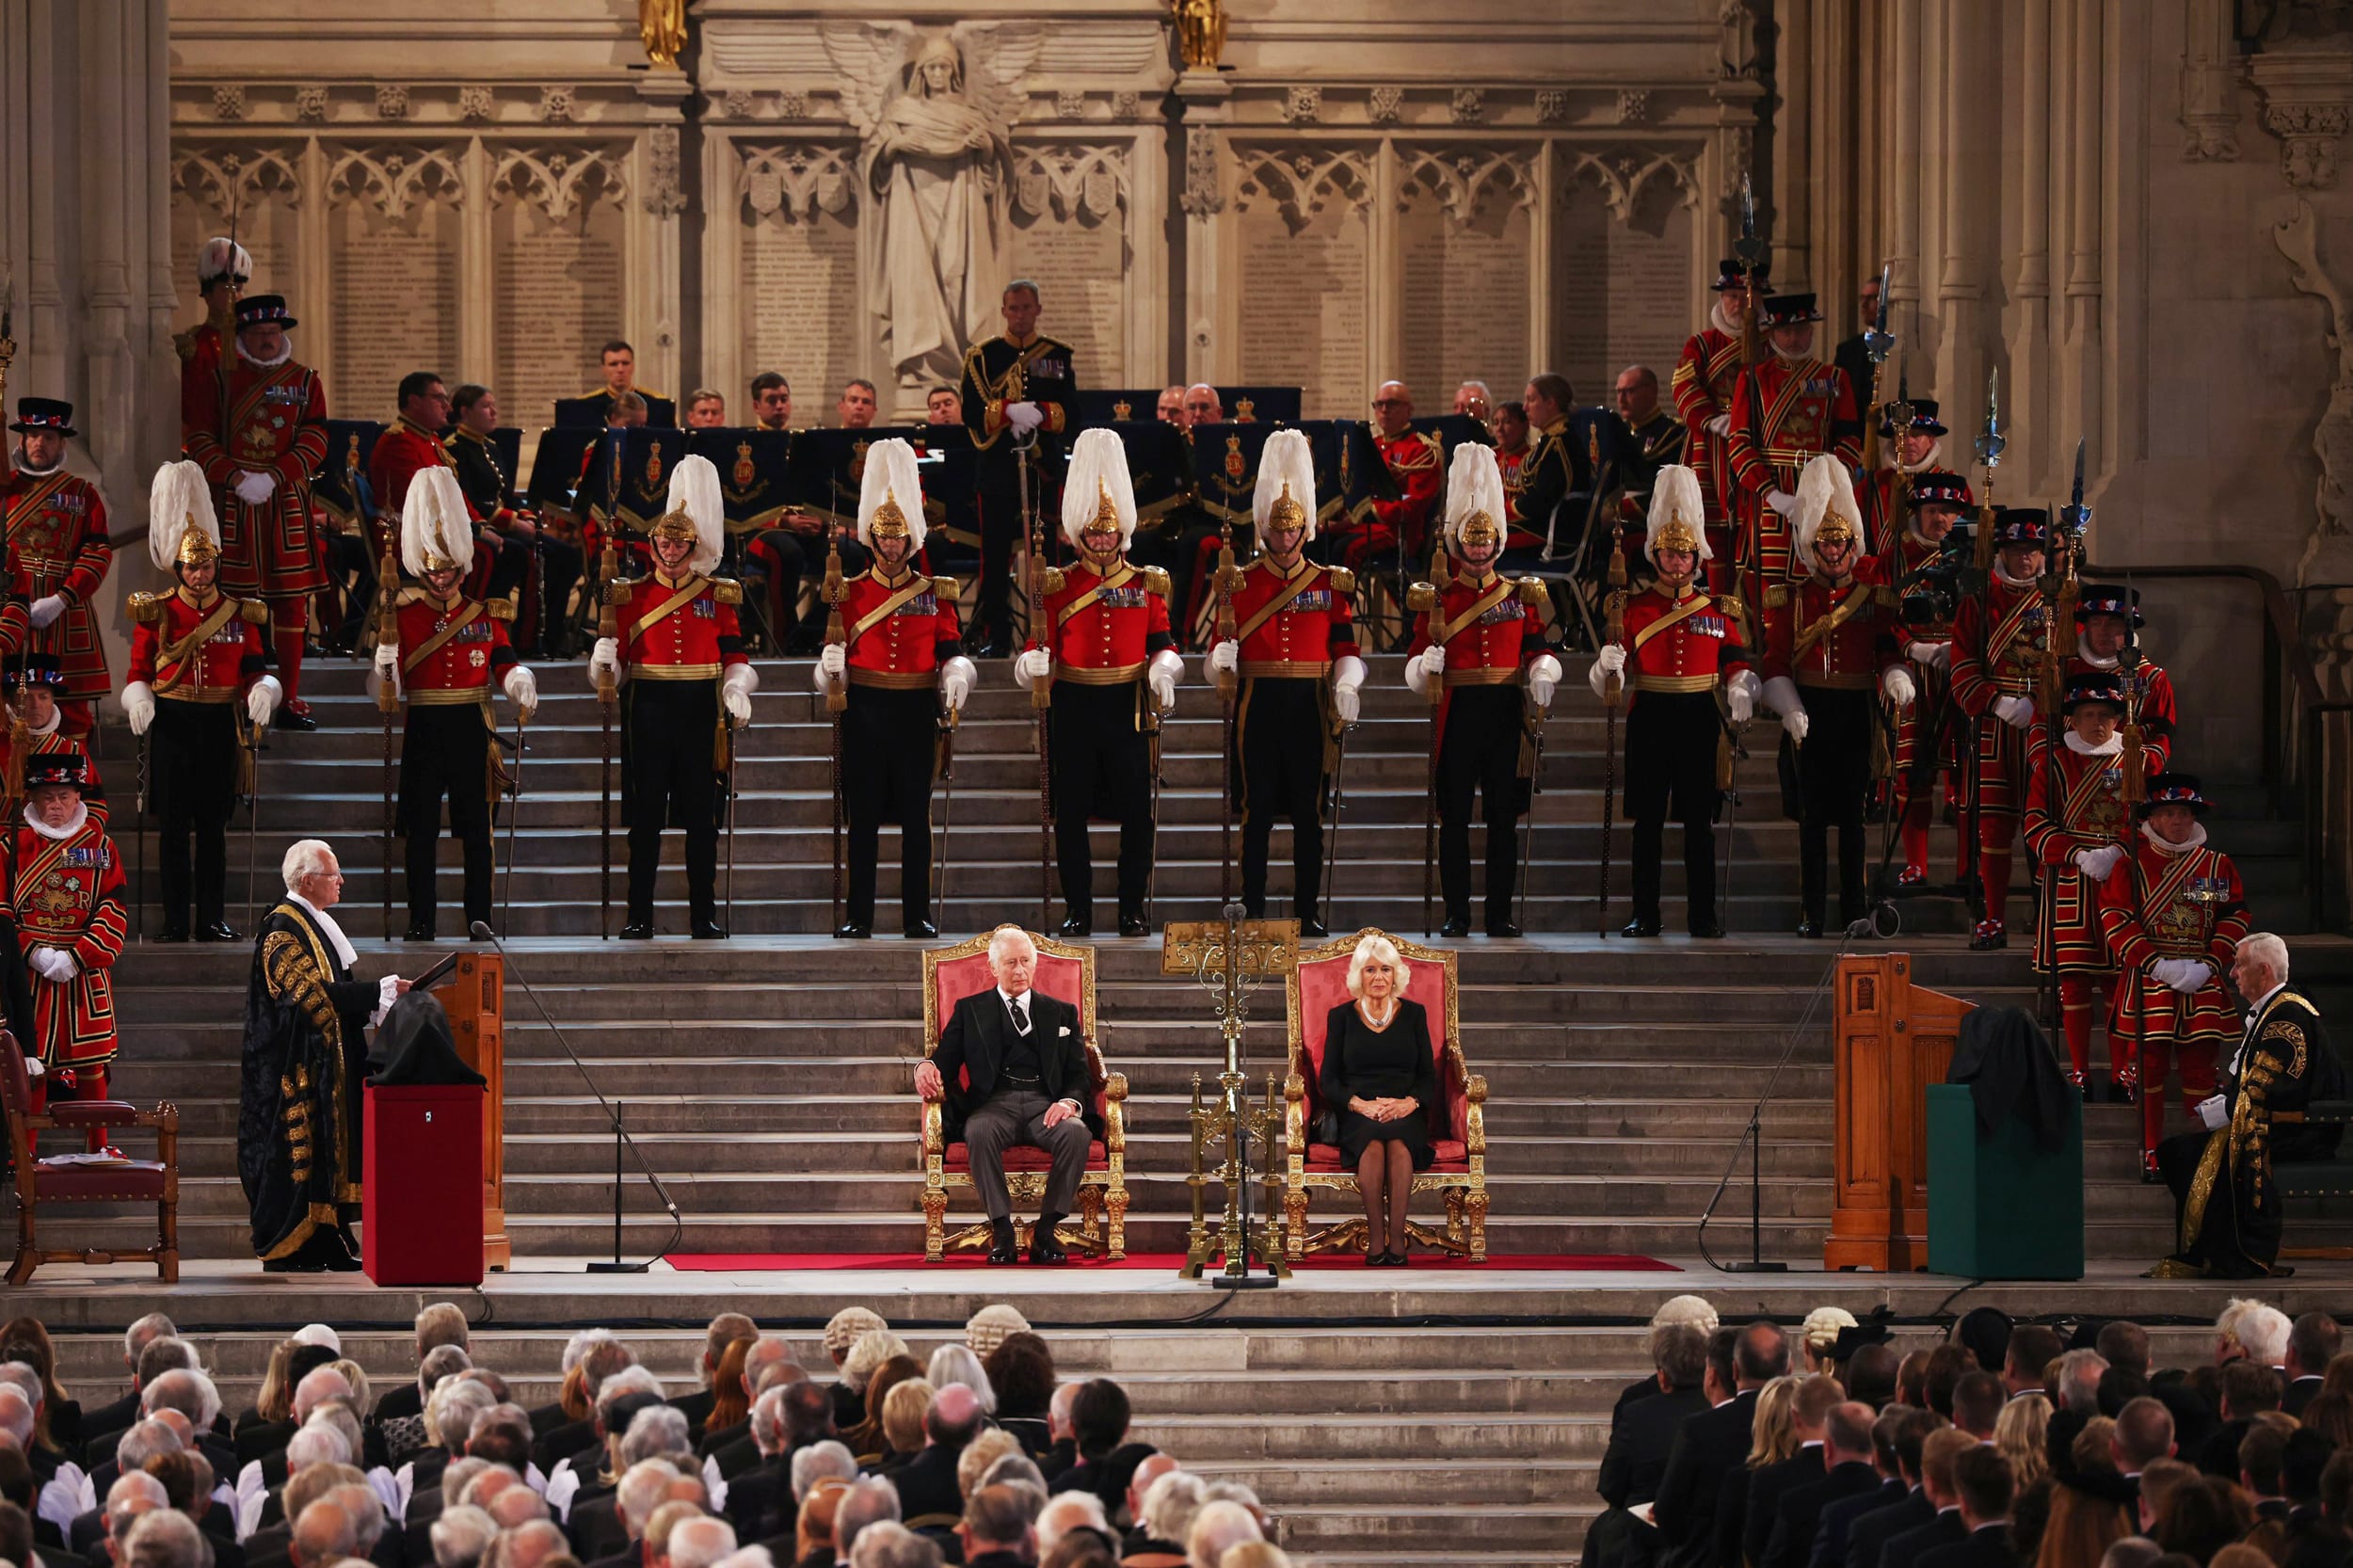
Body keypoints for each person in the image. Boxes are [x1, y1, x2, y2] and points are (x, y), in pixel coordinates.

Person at [1014, 429, 1181, 939]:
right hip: (1074, 705)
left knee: (1136, 814)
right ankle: (1078, 910)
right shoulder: (1057, 584)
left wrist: (1164, 670)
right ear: (1079, 533)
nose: (1103, 540)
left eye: (1109, 533)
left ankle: (1131, 908)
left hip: (1127, 705)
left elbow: (1163, 642)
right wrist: (1032, 665)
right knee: (1070, 815)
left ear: (1122, 531)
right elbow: (1033, 646)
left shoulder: (1146, 583)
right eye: (1094, 532)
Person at [1203, 429, 1366, 937]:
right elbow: (1215, 660)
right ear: (1264, 530)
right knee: (1255, 812)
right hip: (1259, 702)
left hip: (1310, 704)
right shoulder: (1239, 581)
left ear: (1305, 528)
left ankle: (1306, 911)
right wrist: (1219, 661)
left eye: (1292, 530)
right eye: (1277, 531)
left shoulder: (1330, 582)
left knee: (1309, 814)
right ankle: (1252, 907)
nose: (1285, 539)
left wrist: (1348, 685)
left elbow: (1346, 648)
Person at [813, 437, 976, 938]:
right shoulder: (847, 591)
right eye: (883, 539)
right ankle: (858, 916)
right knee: (861, 818)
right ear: (871, 539)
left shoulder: (935, 593)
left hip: (914, 710)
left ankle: (916, 915)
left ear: (910, 541)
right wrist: (829, 669)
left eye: (898, 539)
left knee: (914, 818)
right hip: (864, 709)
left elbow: (951, 651)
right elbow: (829, 664)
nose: (890, 547)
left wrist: (958, 676)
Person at [589, 455, 758, 940]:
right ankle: (638, 915)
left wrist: (737, 686)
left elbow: (735, 654)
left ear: (693, 545)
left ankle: (703, 916)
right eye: (664, 542)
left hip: (701, 710)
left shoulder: (718, 595)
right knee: (645, 822)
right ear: (653, 545)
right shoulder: (630, 596)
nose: (670, 549)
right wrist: (602, 663)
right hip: (648, 710)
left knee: (703, 821)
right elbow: (614, 673)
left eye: (679, 543)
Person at [1588, 464, 1757, 938]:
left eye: (1685, 554)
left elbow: (1735, 661)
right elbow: (1609, 683)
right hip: (1651, 717)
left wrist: (1742, 686)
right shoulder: (1632, 609)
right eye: (1669, 553)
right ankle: (1645, 913)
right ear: (1655, 555)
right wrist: (1606, 667)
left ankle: (1703, 916)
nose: (1677, 561)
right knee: (1647, 825)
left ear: (1696, 556)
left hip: (1700, 718)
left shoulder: (1718, 610)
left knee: (1699, 825)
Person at [374, 467, 539, 941]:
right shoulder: (402, 617)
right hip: (424, 726)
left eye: (448, 571)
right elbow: (386, 692)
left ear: (462, 570)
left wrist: (519, 680)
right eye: (434, 571)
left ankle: (478, 918)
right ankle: (420, 919)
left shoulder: (485, 615)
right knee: (420, 832)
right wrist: (383, 667)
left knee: (478, 834)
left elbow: (503, 661)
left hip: (471, 725)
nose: (441, 578)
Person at [1404, 443, 1561, 937]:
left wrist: (1543, 672)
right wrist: (1424, 666)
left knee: (1502, 819)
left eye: (1485, 541)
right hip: (1457, 712)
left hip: (1503, 711)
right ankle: (1457, 913)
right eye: (1470, 543)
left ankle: (1499, 914)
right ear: (1458, 543)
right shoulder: (1438, 597)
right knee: (1453, 820)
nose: (1477, 550)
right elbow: (1413, 660)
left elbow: (1538, 647)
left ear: (1497, 542)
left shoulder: (1519, 594)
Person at [122, 461, 280, 943]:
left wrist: (264, 690)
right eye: (191, 567)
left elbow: (255, 668)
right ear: (179, 567)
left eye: (206, 566)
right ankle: (175, 922)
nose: (199, 574)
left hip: (217, 725)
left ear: (216, 565)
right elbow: (138, 672)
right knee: (173, 829)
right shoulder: (157, 611)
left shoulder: (240, 613)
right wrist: (138, 698)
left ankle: (211, 918)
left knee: (213, 828)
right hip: (172, 723)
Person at [240, 839, 408, 1272]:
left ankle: (326, 1237)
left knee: (327, 1156)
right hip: (292, 1067)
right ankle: (292, 1246)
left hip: (323, 1061)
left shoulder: (314, 924)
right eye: (333, 875)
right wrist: (375, 992)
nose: (341, 882)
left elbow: (333, 991)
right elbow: (309, 997)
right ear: (307, 880)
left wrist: (376, 998)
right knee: (299, 1157)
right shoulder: (282, 929)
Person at [1759, 455, 1903, 937]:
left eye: (1840, 542)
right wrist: (1790, 707)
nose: (1833, 550)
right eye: (1825, 542)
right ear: (1812, 546)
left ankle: (1854, 911)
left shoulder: (1873, 600)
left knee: (1854, 821)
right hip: (1811, 711)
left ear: (1852, 545)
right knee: (1813, 820)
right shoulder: (1794, 599)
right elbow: (1775, 662)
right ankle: (1813, 913)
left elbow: (1887, 650)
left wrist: (1896, 675)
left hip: (1856, 713)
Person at [2152, 935, 2344, 1278]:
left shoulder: (2287, 1017)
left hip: (2295, 1131)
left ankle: (2234, 1255)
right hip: (2268, 1122)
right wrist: (2217, 1108)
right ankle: (2214, 1251)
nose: (2232, 973)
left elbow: (2267, 1091)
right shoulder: (2277, 1008)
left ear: (2264, 971)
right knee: (2176, 1150)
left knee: (2182, 1152)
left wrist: (2213, 1116)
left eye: (2240, 965)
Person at [180, 293, 329, 730]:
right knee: (233, 602)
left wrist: (277, 475)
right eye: (259, 333)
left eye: (274, 332)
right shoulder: (219, 380)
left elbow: (317, 437)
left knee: (291, 604)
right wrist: (234, 476)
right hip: (233, 503)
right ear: (241, 336)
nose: (268, 340)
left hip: (285, 502)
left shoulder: (305, 380)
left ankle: (291, 698)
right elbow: (199, 437)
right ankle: (241, 692)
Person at [2097, 773, 2251, 1179]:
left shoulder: (2215, 865)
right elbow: (2115, 918)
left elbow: (2233, 916)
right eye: (2169, 813)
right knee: (2148, 1069)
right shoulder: (2131, 865)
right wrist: (2155, 963)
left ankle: (2201, 1152)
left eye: (2184, 813)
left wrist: (2210, 963)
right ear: (2152, 818)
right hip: (2151, 978)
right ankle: (2151, 1151)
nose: (2179, 821)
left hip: (2201, 978)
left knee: (2202, 1069)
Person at [915, 925, 1097, 1266]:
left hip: (1046, 1105)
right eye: (1011, 962)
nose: (1019, 970)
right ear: (993, 967)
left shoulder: (1061, 1012)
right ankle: (1002, 1231)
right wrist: (925, 1066)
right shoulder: (970, 1010)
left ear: (1035, 964)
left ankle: (1045, 1232)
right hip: (994, 1105)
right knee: (978, 1130)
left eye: (1026, 961)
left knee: (1076, 1133)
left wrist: (1068, 1102)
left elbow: (1079, 1071)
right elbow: (944, 1058)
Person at [1947, 507, 2057, 950]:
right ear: (2002, 553)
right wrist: (1994, 700)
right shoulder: (1979, 600)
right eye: (2015, 550)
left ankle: (2047, 919)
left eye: (2032, 550)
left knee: (2045, 824)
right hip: (1996, 725)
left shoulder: (2060, 602)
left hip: (2046, 726)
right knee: (1993, 827)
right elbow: (1961, 663)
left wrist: (2045, 704)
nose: (2024, 558)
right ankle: (1993, 917)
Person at [10, 757, 127, 1155]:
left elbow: (113, 907)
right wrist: (32, 952)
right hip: (28, 974)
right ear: (33, 799)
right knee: (30, 1064)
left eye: (63, 795)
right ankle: (23, 1153)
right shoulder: (11, 845)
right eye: (47, 797)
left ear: (78, 797)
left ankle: (99, 1148)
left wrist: (79, 955)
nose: (56, 805)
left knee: (92, 1064)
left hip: (84, 972)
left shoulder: (100, 846)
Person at [2025, 673, 2134, 1096]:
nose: (2097, 722)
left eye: (2105, 714)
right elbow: (2035, 823)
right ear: (2073, 719)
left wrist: (2117, 852)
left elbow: (2150, 822)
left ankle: (2122, 1072)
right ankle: (2081, 1072)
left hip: (2121, 879)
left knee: (2118, 980)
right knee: (2073, 980)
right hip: (2071, 879)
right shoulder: (2055, 762)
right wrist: (2075, 853)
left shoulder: (2135, 761)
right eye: (2088, 714)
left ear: (2117, 719)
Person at [960, 280, 1075, 657]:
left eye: (1027, 308)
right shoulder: (983, 356)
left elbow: (1072, 413)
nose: (1020, 315)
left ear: (1037, 309)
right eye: (1013, 308)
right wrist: (1008, 411)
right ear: (1004, 311)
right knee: (994, 557)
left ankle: (1050, 632)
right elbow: (970, 412)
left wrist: (1040, 413)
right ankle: (996, 635)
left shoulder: (1057, 355)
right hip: (996, 470)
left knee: (1048, 554)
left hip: (1043, 469)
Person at [1724, 293, 1863, 592]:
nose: (1793, 339)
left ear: (1811, 331)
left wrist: (1833, 480)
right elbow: (1739, 443)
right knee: (1769, 580)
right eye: (1786, 331)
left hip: (1821, 488)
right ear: (1773, 334)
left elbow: (1850, 439)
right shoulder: (1754, 379)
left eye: (1800, 331)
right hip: (1771, 488)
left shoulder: (1835, 377)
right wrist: (1770, 492)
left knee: (1823, 571)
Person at [1317, 933, 1438, 1266]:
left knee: (1399, 1144)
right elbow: (1328, 1079)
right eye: (1370, 970)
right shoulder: (1341, 1017)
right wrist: (1359, 1104)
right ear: (1359, 976)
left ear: (1396, 974)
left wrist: (1410, 1103)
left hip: (1405, 1109)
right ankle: (1375, 1238)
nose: (1379, 977)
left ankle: (1396, 1240)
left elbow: (1428, 1074)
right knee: (1371, 1145)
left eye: (1385, 969)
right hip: (1359, 1111)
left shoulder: (1414, 1014)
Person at [1882, 469, 1972, 892]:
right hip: (1913, 673)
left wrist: (1962, 650)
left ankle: (1967, 868)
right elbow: (1882, 616)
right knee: (1911, 773)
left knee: (1969, 774)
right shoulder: (1897, 557)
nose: (1940, 519)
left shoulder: (1973, 557)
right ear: (1917, 512)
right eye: (1932, 510)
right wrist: (1912, 648)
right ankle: (1916, 864)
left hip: (1962, 672)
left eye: (1948, 511)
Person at [1, 398, 112, 734]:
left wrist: (62, 598)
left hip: (64, 610)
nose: (40, 443)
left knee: (72, 707)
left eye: (49, 437)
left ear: (62, 444)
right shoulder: (6, 489)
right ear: (21, 441)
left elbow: (97, 551)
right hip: (11, 605)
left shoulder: (82, 493)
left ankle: (72, 766)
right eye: (33, 436)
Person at [449, 384, 583, 661]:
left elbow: (508, 496)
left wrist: (527, 517)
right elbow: (469, 501)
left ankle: (551, 637)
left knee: (569, 556)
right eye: (486, 406)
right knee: (530, 554)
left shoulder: (490, 447)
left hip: (509, 528)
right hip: (483, 528)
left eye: (493, 405)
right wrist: (512, 522)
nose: (493, 412)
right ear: (465, 411)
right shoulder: (457, 449)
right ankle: (527, 638)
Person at [1673, 260, 1769, 589]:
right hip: (1710, 446)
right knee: (1713, 531)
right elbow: (1683, 385)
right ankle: (1716, 601)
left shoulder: (1772, 343)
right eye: (1731, 296)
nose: (1738, 304)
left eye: (1746, 296)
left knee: (1757, 528)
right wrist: (1712, 419)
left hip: (1759, 443)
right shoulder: (1702, 344)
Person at [2067, 587, 2178, 775]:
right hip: (2071, 775)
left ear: (2127, 629)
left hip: (2128, 777)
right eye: (2096, 622)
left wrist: (2129, 770)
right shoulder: (2065, 671)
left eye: (2113, 623)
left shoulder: (2152, 678)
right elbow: (2044, 727)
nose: (2103, 631)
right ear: (2086, 627)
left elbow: (2161, 738)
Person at [1344, 382, 1440, 573]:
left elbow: (1413, 503)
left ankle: (1343, 594)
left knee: (1347, 548)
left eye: (1392, 404)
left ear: (1409, 410)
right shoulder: (1372, 445)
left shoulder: (1422, 450)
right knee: (1322, 540)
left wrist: (1369, 509)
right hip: (1367, 525)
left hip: (1399, 531)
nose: (1384, 409)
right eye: (1379, 404)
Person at [0, 656, 104, 821]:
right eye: (26, 697)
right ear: (11, 703)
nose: (36, 705)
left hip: (56, 835)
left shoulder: (73, 750)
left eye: (43, 697)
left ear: (53, 701)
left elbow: (94, 806)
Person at [1506, 374, 1587, 568]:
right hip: (1542, 525)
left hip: (1554, 532)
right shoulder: (1550, 439)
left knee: (1476, 539)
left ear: (1551, 403)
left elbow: (1542, 500)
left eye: (1531, 400)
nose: (1525, 407)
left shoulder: (1559, 442)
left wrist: (1505, 510)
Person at [1857, 400, 1946, 557]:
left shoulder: (1949, 484)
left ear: (1931, 440)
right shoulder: (1874, 483)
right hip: (1881, 569)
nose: (1909, 441)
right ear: (1893, 440)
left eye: (1916, 435)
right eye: (1902, 435)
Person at [1612, 365, 1688, 518]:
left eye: (1629, 391)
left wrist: (1624, 508)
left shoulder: (1673, 434)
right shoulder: (1619, 431)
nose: (1621, 399)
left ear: (1652, 391)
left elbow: (1672, 490)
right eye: (1619, 392)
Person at [584, 340, 672, 426]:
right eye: (613, 364)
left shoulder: (659, 403)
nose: (620, 369)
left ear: (633, 366)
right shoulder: (586, 405)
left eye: (625, 363)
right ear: (603, 369)